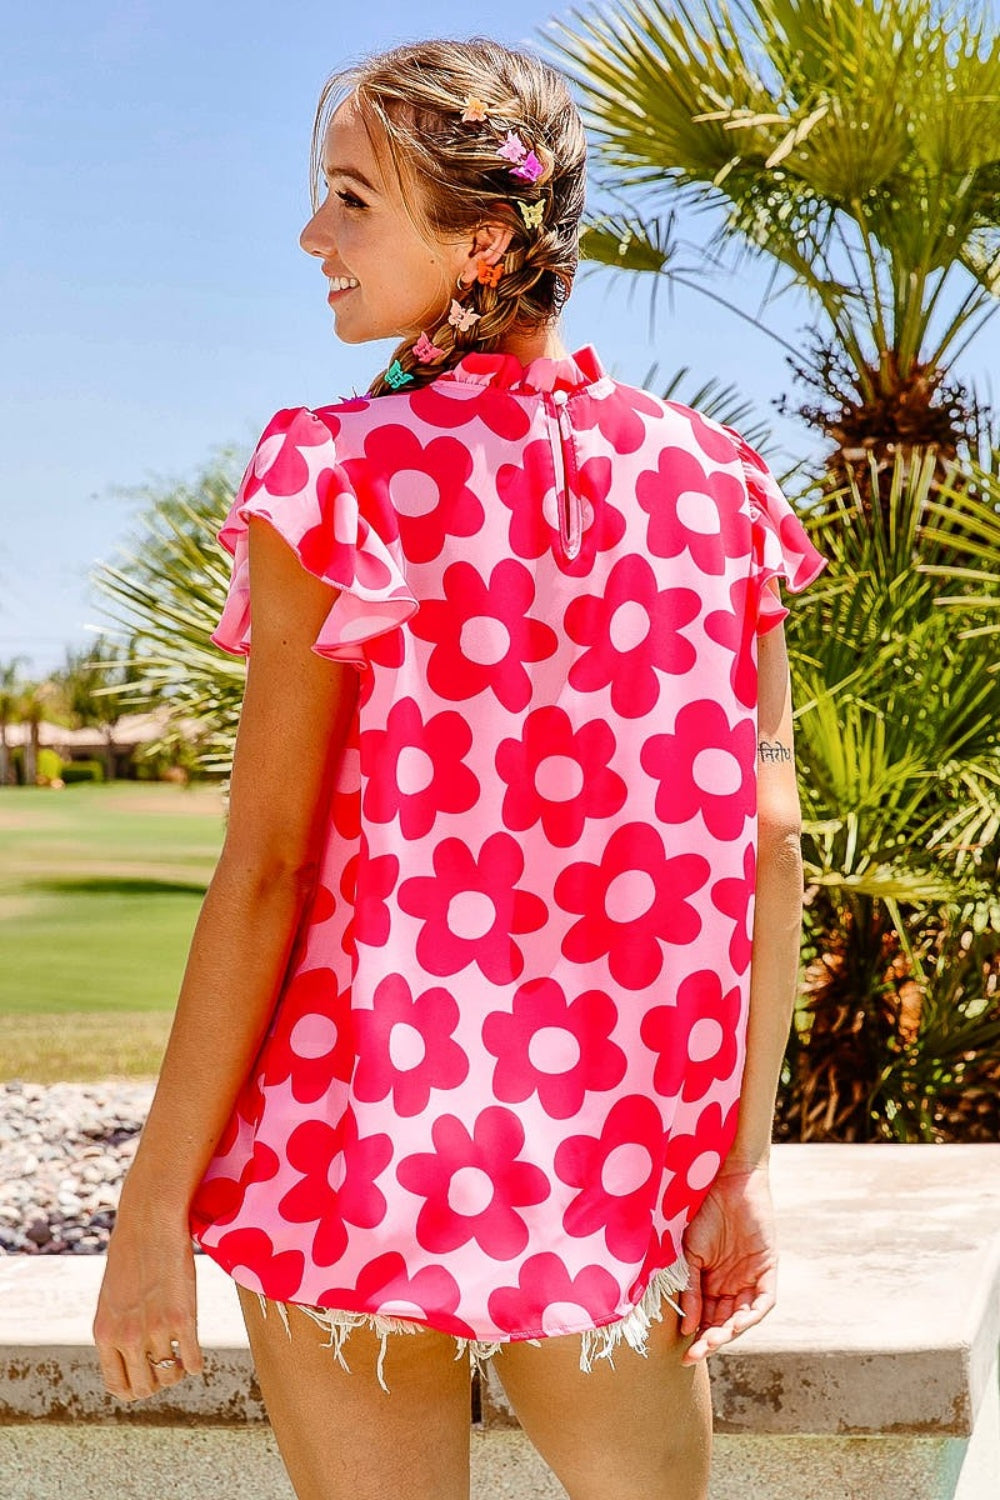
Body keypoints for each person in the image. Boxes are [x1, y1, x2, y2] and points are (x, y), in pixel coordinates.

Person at [92, 34, 827, 1500]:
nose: (314, 235)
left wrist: (149, 1208)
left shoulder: (333, 475)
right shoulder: (724, 487)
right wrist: (738, 1168)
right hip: (614, 1176)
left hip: (347, 1150)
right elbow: (771, 840)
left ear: (483, 239)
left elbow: (268, 872)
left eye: (353, 200)